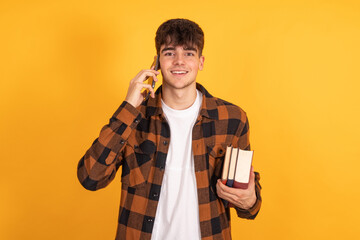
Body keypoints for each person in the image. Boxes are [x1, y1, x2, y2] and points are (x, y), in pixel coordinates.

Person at [77, 18, 262, 240]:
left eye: (189, 53)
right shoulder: (134, 118)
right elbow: (90, 177)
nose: (179, 62)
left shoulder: (232, 119)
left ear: (201, 62)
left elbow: (250, 206)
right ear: (156, 62)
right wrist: (128, 108)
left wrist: (249, 198)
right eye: (169, 53)